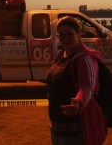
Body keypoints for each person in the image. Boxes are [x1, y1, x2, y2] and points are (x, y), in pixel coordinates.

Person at [46, 16, 107, 145]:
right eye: (61, 35)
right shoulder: (62, 54)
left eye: (69, 34)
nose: (65, 39)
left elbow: (87, 86)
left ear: (79, 34)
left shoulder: (84, 58)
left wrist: (79, 102)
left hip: (75, 128)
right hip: (57, 127)